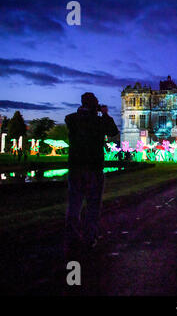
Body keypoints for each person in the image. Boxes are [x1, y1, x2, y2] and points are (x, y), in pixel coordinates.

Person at [64, 92, 119, 252]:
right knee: (93, 206)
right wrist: (105, 114)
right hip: (94, 168)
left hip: (75, 168)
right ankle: (89, 237)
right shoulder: (99, 121)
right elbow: (113, 132)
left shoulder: (72, 119)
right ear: (95, 105)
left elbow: (73, 117)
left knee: (74, 204)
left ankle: (73, 237)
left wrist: (88, 111)